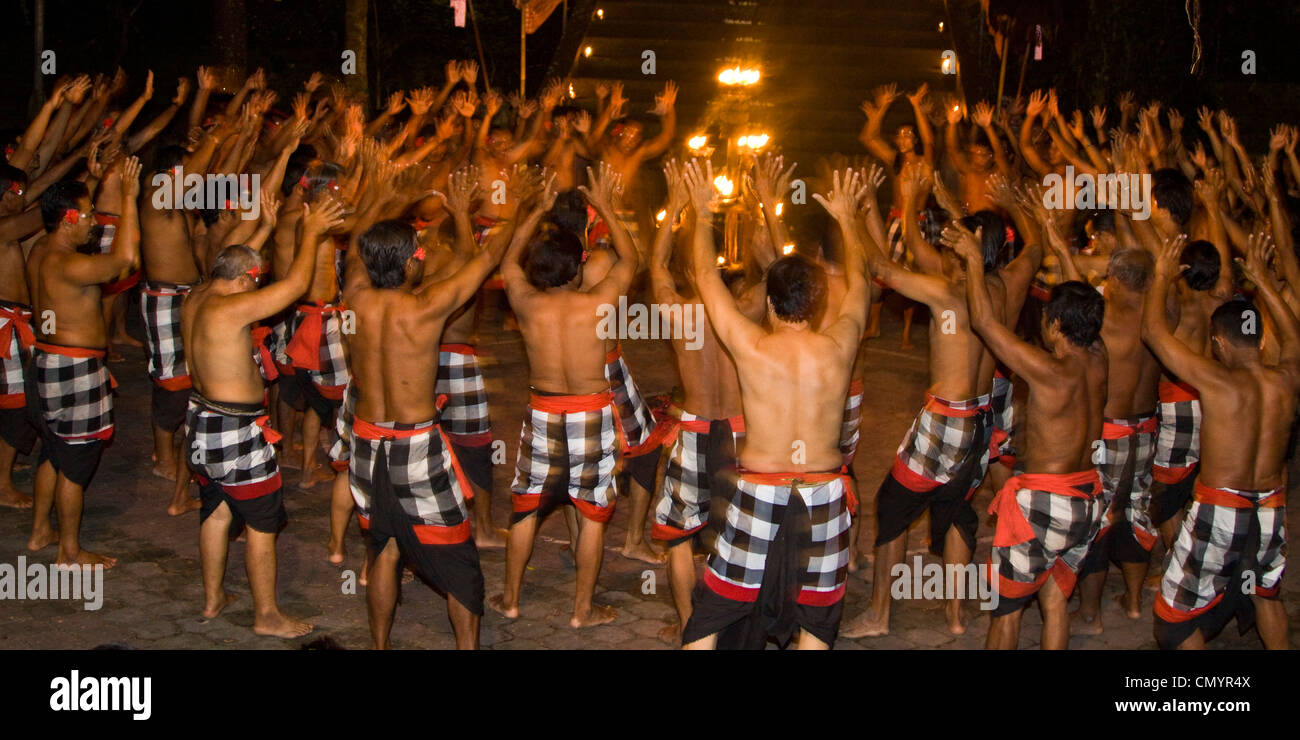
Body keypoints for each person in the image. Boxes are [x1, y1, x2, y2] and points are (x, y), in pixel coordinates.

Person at [680, 162, 870, 650]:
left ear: (769, 303)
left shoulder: (751, 346)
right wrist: (848, 217)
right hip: (824, 495)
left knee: (713, 615)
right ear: (821, 301)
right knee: (815, 624)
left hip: (760, 496)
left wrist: (701, 212)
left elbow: (704, 274)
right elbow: (863, 281)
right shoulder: (841, 345)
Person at [843, 173, 1020, 638]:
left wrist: (852, 214)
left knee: (893, 506)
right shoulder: (998, 289)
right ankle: (956, 618)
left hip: (946, 421)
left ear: (965, 250)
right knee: (958, 511)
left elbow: (879, 267)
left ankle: (879, 615)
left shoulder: (946, 295)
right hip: (983, 419)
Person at [341, 174, 513, 647]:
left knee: (386, 546)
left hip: (366, 440)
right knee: (458, 559)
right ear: (413, 261)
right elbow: (485, 259)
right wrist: (513, 208)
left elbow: (358, 245)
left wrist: (380, 191)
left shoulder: (353, 294)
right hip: (415, 444)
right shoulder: (427, 307)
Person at [180, 199, 342, 638]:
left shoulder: (197, 296)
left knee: (215, 511)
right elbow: (295, 287)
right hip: (236, 431)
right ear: (245, 280)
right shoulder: (231, 309)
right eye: (256, 280)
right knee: (260, 521)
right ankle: (267, 614)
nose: (258, 287)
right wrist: (309, 233)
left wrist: (266, 228)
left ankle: (214, 598)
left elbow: (231, 260)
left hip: (202, 422)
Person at [948, 220, 1107, 650]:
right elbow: (1085, 308)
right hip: (1087, 499)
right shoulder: (1099, 357)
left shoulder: (1049, 370)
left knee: (1007, 609)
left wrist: (971, 261)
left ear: (1055, 326)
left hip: (1044, 503)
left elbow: (983, 321)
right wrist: (1057, 243)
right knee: (1054, 601)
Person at [490, 163, 636, 628]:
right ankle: (581, 611)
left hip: (543, 409)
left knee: (527, 504)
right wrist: (607, 207)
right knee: (592, 512)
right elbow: (633, 260)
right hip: (591, 410)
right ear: (578, 268)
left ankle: (510, 599)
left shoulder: (525, 302)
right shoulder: (596, 304)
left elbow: (508, 262)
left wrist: (533, 209)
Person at [1145, 234, 1292, 650]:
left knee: (1174, 618)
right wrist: (1262, 281)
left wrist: (1161, 276)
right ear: (1261, 341)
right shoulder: (1286, 380)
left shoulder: (1217, 381)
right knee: (1267, 596)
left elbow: (1154, 333)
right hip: (1271, 507)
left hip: (1222, 508)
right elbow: (1295, 339)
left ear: (1219, 342)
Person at [647, 160, 761, 643]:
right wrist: (757, 206)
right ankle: (734, 623)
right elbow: (775, 270)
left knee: (679, 536)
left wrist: (679, 207)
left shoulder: (677, 313)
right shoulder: (747, 312)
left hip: (694, 429)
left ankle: (694, 625)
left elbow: (655, 267)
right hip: (737, 432)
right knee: (742, 534)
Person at [25, 161, 142, 568]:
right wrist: (129, 197)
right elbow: (125, 259)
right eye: (90, 214)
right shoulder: (69, 264)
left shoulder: (40, 249)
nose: (94, 222)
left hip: (47, 359)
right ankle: (69, 551)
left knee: (54, 452)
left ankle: (42, 530)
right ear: (69, 219)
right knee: (76, 462)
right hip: (74, 370)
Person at [1073, 248, 1162, 632]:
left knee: (1098, 521)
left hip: (1110, 434)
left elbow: (1073, 297)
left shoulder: (1109, 318)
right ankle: (1134, 601)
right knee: (1137, 512)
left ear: (1116, 276)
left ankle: (1090, 614)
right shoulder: (1162, 315)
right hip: (1146, 427)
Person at [139, 145, 203, 514]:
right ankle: (162, 455)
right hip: (164, 297)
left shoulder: (178, 202)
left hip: (186, 296)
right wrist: (220, 136)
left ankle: (170, 452)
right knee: (169, 383)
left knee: (187, 379)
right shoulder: (155, 201)